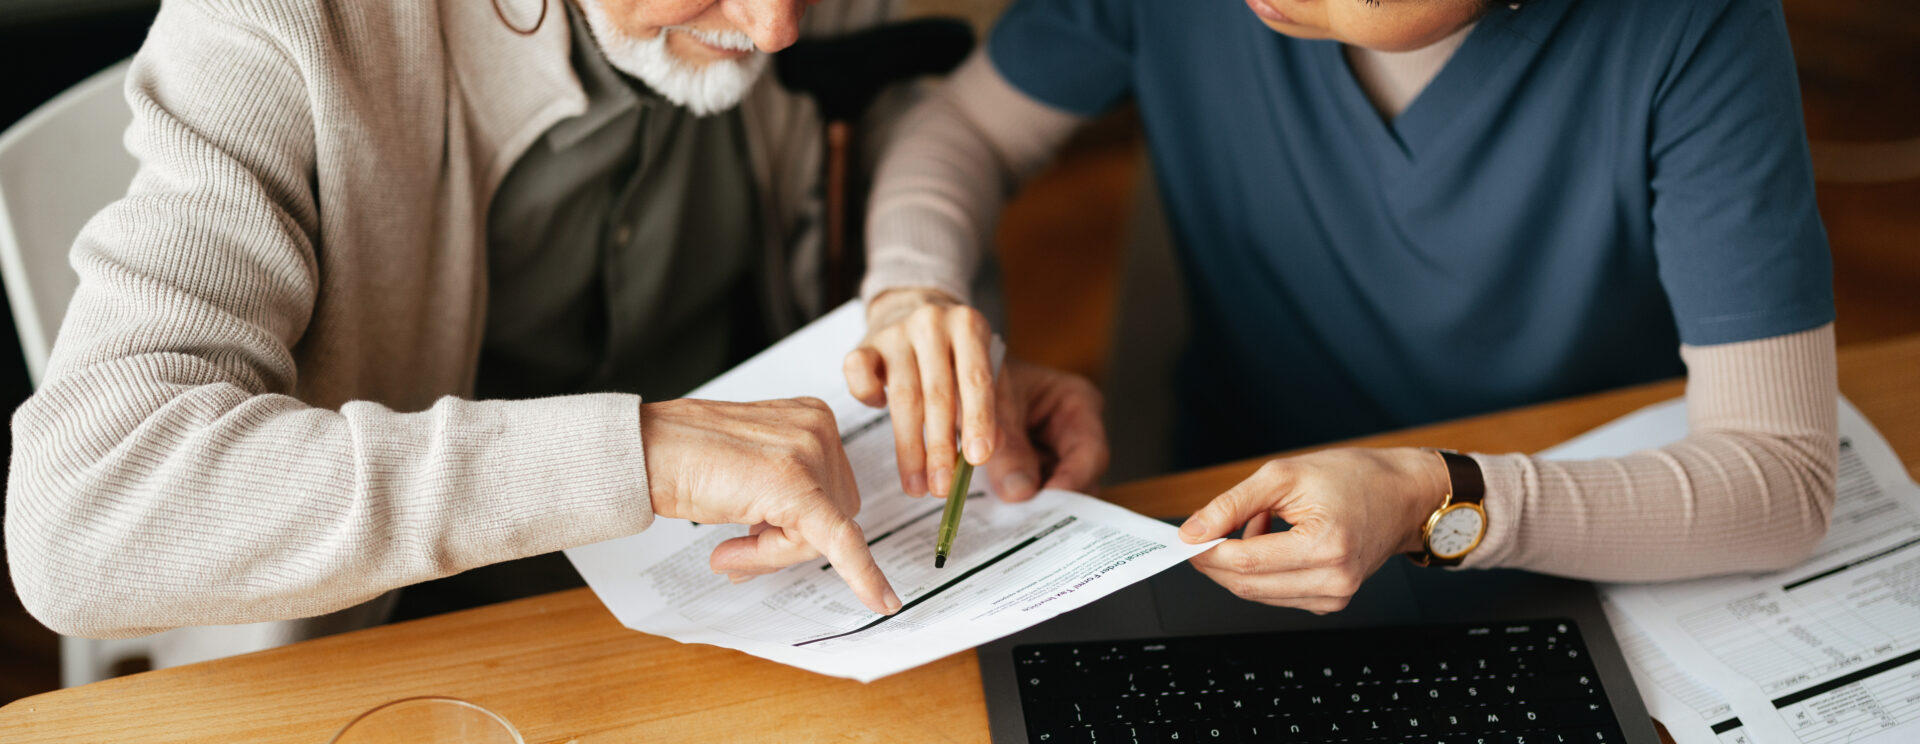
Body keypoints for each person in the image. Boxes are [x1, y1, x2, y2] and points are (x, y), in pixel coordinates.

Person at [0, 0, 1075, 656]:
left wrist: (911, 301)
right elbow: (80, 518)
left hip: (755, 601)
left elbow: (893, 126)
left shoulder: (774, 10)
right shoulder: (282, 22)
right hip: (411, 648)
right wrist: (638, 453)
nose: (781, 24)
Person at [850, 0, 1838, 613]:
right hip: (1239, 527)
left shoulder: (1694, 25)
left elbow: (1782, 479)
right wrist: (914, 285)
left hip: (1591, 534)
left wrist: (1432, 498)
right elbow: (964, 129)